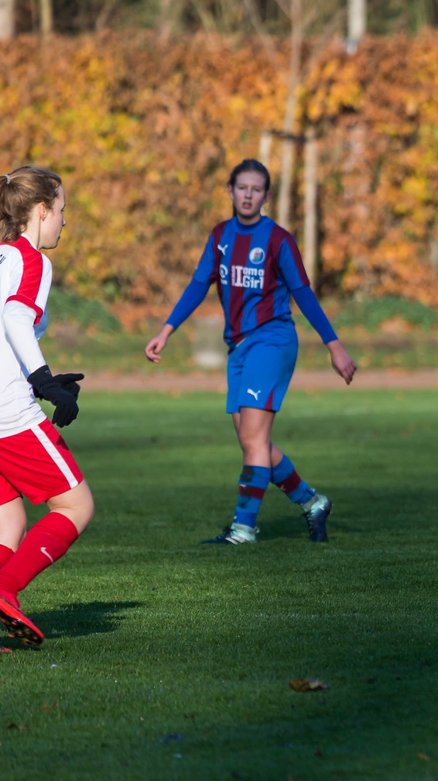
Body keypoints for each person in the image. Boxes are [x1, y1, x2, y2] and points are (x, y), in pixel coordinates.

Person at [144, 159, 357, 545]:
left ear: (266, 196)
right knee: (251, 441)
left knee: (255, 440)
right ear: (230, 190)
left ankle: (244, 528)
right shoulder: (221, 236)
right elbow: (198, 284)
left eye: (256, 189)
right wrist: (166, 330)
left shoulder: (278, 240)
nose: (248, 195)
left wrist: (334, 345)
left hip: (272, 341)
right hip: (238, 347)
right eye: (242, 187)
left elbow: (303, 293)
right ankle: (313, 502)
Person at [0, 167, 94, 647]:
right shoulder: (32, 260)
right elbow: (15, 318)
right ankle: (6, 589)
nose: (64, 222)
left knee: (9, 516)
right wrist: (40, 383)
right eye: (61, 211)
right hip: (8, 417)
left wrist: (47, 380)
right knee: (76, 504)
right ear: (40, 212)